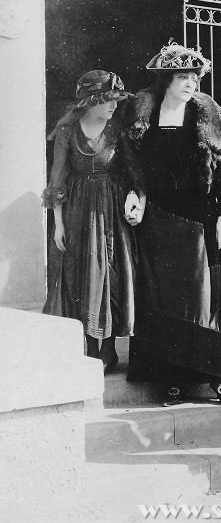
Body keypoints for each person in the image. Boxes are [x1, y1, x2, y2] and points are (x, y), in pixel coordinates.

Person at [123, 42, 221, 406]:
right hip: (157, 218)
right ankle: (170, 380)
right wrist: (136, 194)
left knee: (200, 298)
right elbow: (134, 165)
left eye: (193, 76)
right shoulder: (144, 113)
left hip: (197, 219)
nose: (190, 83)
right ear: (166, 80)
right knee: (162, 297)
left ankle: (211, 375)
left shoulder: (208, 113)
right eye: (182, 76)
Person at [43, 70, 140, 373]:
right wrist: (58, 224)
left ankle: (108, 351)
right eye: (109, 100)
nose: (114, 106)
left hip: (111, 211)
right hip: (77, 212)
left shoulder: (118, 131)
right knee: (82, 274)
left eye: (116, 100)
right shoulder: (67, 132)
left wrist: (135, 197)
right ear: (93, 100)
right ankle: (89, 348)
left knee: (110, 273)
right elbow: (57, 179)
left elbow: (136, 175)